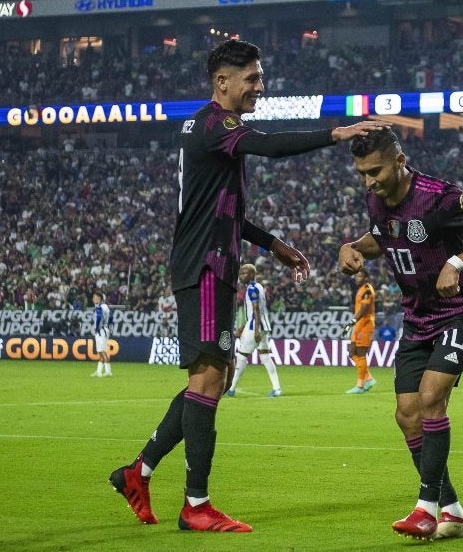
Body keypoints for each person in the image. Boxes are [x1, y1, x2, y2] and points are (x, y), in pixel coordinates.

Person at [108, 39, 386, 533]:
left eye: (260, 77)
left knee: (205, 381)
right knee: (208, 382)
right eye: (252, 78)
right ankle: (196, 504)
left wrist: (271, 243)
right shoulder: (219, 125)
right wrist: (336, 133)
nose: (260, 85)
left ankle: (138, 472)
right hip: (207, 269)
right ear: (223, 82)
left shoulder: (202, 126)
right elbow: (270, 146)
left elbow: (222, 207)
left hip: (206, 263)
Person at [338, 128, 463, 540]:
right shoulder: (375, 199)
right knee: (407, 415)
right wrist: (352, 247)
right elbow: (384, 238)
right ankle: (453, 512)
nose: (369, 181)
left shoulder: (440, 196)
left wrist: (456, 261)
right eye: (362, 174)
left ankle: (425, 509)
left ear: (399, 160)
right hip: (416, 319)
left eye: (376, 171)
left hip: (460, 312)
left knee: (432, 398)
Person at [227, 264, 281, 397]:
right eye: (241, 273)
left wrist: (255, 329)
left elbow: (256, 309)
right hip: (264, 325)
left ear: (252, 274)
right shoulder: (259, 287)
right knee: (265, 356)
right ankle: (277, 388)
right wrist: (244, 326)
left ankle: (231, 388)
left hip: (255, 327)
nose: (241, 276)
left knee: (241, 356)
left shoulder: (251, 289)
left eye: (244, 273)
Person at [345, 268, 377, 394]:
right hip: (359, 324)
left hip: (366, 324)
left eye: (359, 276)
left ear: (365, 278)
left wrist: (352, 321)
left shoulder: (367, 290)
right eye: (356, 276)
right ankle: (368, 378)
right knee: (351, 352)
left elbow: (364, 309)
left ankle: (360, 385)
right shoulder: (360, 289)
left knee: (361, 353)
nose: (356, 278)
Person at [90, 291, 112, 377]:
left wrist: (97, 327)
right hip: (105, 329)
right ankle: (99, 371)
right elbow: (111, 318)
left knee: (102, 351)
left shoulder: (99, 307)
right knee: (101, 351)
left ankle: (108, 371)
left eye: (94, 297)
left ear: (99, 298)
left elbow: (99, 317)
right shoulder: (105, 306)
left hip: (101, 330)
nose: (93, 299)